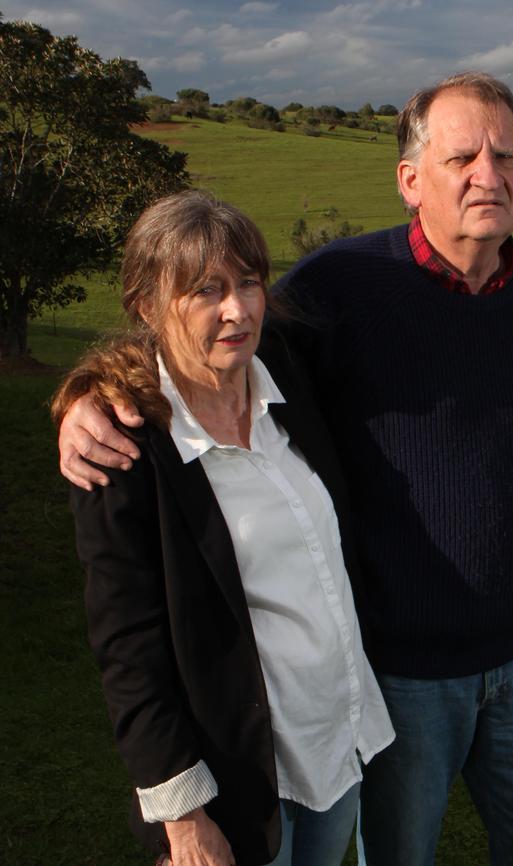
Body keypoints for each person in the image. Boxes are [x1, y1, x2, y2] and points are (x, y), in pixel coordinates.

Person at [57, 72, 513, 866]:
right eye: (462, 155)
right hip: (402, 672)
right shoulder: (343, 287)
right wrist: (86, 395)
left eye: (506, 156)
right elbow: (201, 335)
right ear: (409, 179)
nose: (488, 174)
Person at [52, 190, 394, 866]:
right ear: (148, 306)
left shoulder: (284, 378)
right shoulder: (127, 454)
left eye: (248, 283)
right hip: (243, 782)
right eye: (205, 291)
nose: (237, 309)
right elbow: (129, 654)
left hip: (335, 744)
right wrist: (182, 819)